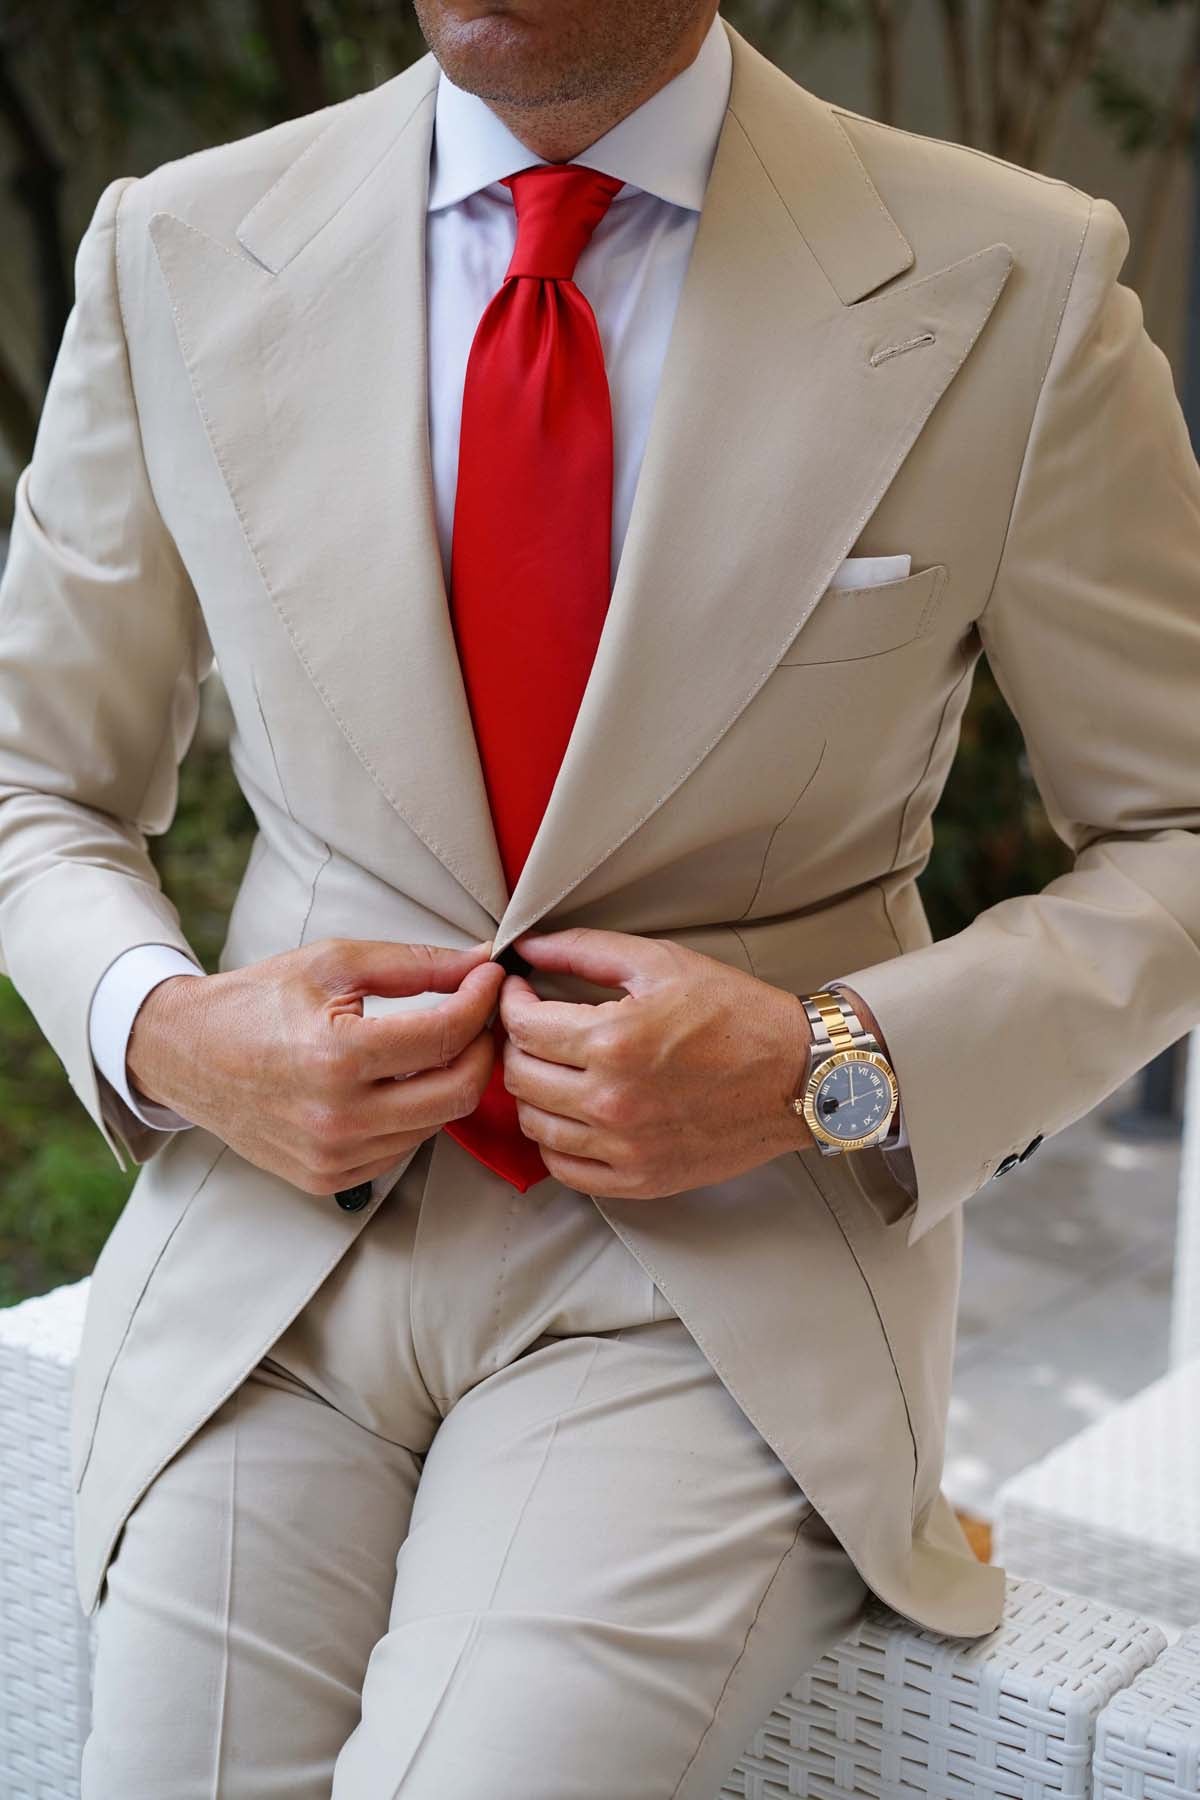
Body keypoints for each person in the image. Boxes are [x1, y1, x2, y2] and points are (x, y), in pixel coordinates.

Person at [1, 0, 1198, 1791]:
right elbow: (35, 778)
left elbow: (1180, 829)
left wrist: (828, 1060)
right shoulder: (176, 245)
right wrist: (170, 1035)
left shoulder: (1013, 280)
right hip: (278, 1252)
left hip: (721, 1279)